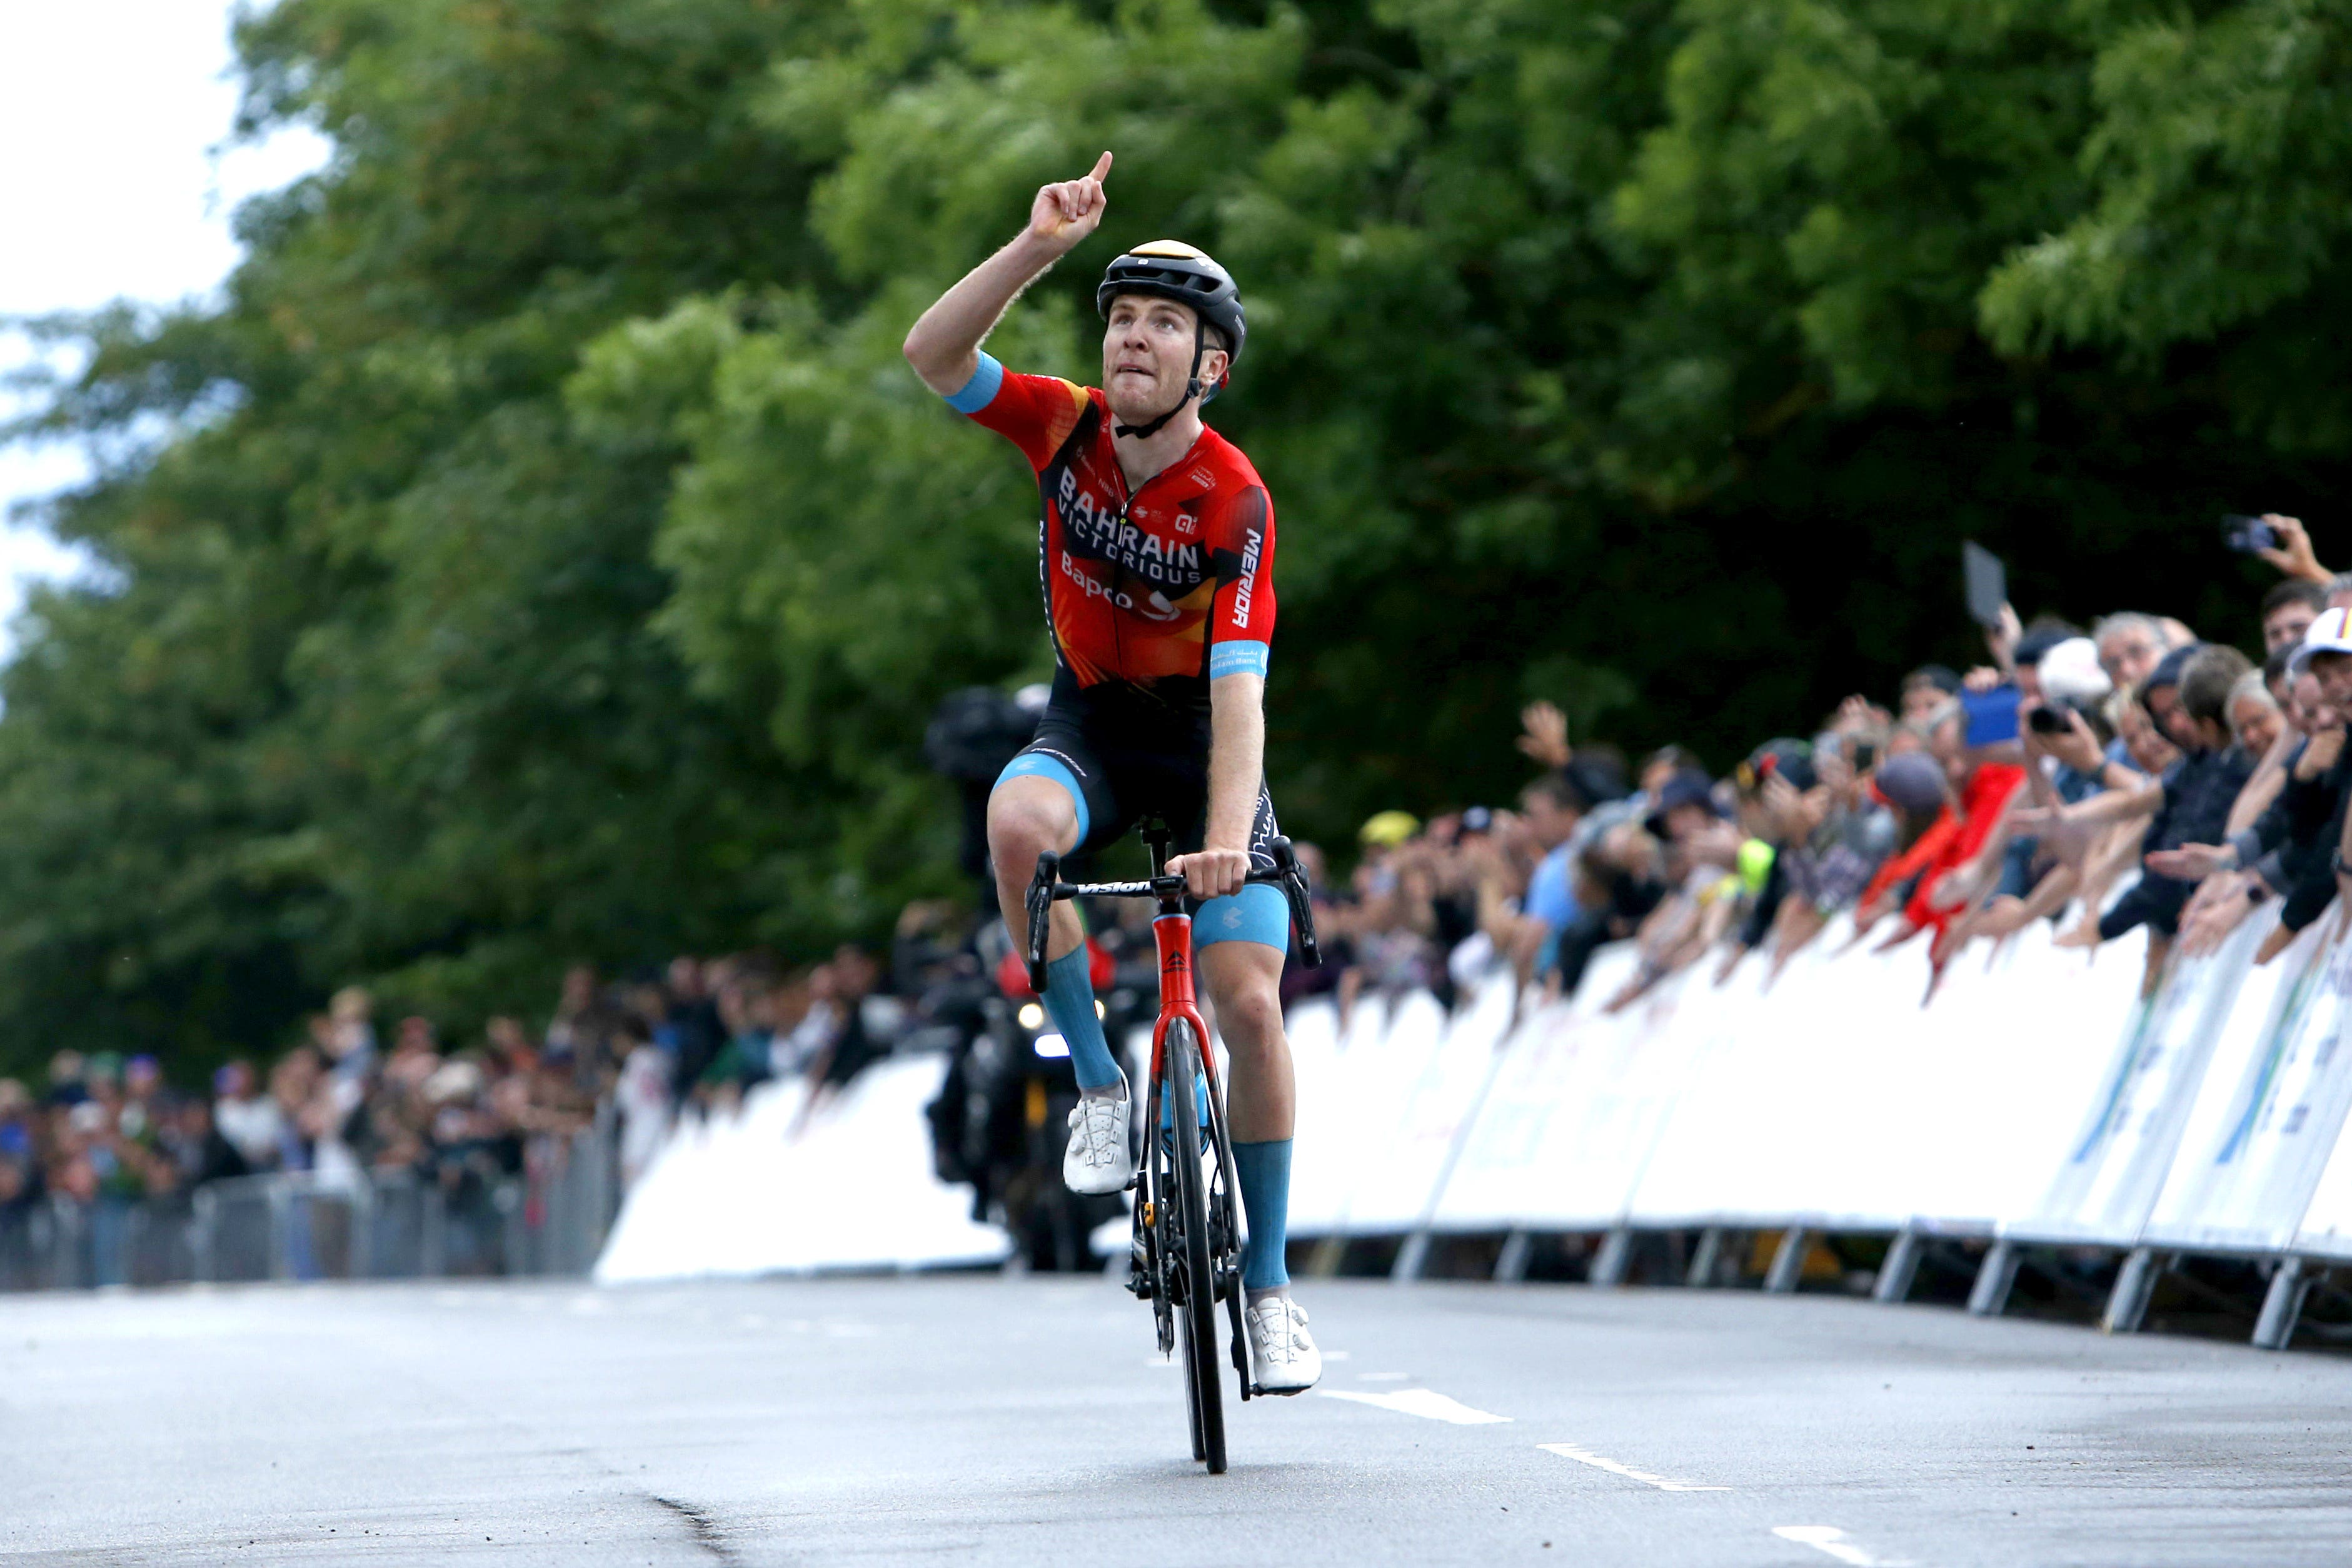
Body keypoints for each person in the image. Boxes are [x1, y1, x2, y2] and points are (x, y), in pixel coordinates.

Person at [904, 153, 1317, 1391]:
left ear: (1211, 366)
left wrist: (1231, 838)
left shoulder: (1235, 500)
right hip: (1090, 721)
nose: (1135, 339)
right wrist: (1037, 248)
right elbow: (931, 354)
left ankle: (1272, 1288)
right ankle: (1099, 1084)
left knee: (1247, 1000)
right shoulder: (1064, 424)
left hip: (1202, 750)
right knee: (1016, 822)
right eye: (1123, 319)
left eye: (1166, 326)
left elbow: (1241, 696)